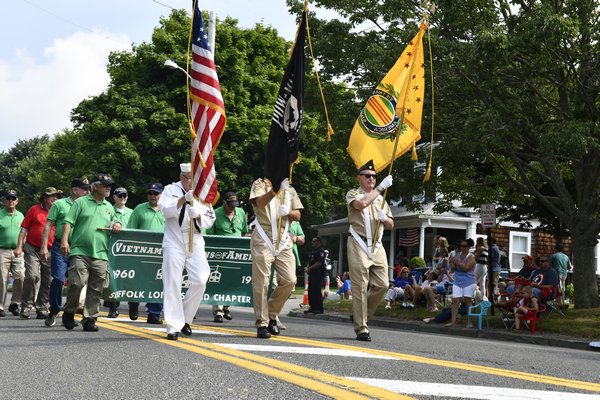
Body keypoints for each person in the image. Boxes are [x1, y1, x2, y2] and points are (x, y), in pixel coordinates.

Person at [158, 163, 216, 340]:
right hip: (174, 240)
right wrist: (183, 200)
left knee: (200, 279)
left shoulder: (203, 192)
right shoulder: (170, 189)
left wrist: (198, 214)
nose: (189, 181)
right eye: (186, 177)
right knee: (172, 283)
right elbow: (165, 211)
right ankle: (173, 325)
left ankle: (185, 319)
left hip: (196, 241)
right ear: (181, 176)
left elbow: (210, 219)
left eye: (192, 177)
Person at [60, 174, 123, 331]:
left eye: (110, 185)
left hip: (101, 253)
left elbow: (117, 220)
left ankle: (89, 319)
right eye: (105, 184)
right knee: (77, 283)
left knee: (96, 289)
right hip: (80, 251)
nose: (109, 187)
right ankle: (69, 311)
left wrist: (117, 224)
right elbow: (68, 222)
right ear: (95, 186)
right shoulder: (80, 202)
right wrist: (64, 241)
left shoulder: (109, 207)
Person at [249, 177, 303, 339]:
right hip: (264, 235)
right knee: (262, 282)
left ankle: (272, 313)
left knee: (290, 280)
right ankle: (262, 323)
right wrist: (275, 191)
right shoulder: (260, 184)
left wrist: (288, 212)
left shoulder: (290, 189)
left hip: (283, 237)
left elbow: (298, 214)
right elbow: (259, 203)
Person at [346, 160, 394, 342]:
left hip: (377, 244)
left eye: (374, 177)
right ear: (359, 178)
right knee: (359, 287)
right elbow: (361, 205)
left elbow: (391, 224)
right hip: (358, 242)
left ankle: (362, 314)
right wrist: (380, 188)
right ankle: (361, 328)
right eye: (368, 176)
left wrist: (385, 219)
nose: (372, 179)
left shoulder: (381, 199)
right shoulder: (353, 194)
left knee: (383, 284)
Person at [39, 178, 90, 327]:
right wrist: (43, 247)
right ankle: (54, 310)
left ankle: (69, 313)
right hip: (59, 247)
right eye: (84, 189)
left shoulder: (88, 205)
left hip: (79, 248)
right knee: (59, 279)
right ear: (75, 190)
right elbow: (48, 225)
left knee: (76, 282)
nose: (88, 192)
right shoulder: (59, 204)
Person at [15, 187, 60, 319]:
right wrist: (19, 246)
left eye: (56, 197)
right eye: (52, 196)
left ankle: (42, 307)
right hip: (32, 247)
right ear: (45, 198)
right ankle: (26, 306)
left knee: (48, 279)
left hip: (51, 249)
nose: (55, 199)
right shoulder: (34, 210)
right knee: (32, 276)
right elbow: (23, 229)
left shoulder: (58, 211)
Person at [204, 190, 248, 323]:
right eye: (230, 205)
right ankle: (218, 312)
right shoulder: (215, 214)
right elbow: (210, 236)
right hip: (221, 254)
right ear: (224, 203)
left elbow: (244, 232)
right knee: (220, 281)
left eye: (234, 205)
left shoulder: (240, 212)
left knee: (233, 282)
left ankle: (226, 306)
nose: (232, 208)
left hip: (237, 254)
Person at [125, 183, 166, 323]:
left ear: (162, 194)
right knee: (138, 280)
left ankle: (154, 313)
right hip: (142, 252)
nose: (153, 196)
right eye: (150, 193)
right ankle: (134, 302)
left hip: (162, 251)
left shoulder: (168, 209)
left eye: (156, 193)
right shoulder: (139, 209)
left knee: (159, 282)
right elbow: (130, 230)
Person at [105, 186, 134, 319]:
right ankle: (113, 307)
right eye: (119, 196)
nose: (122, 198)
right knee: (114, 278)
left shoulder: (132, 212)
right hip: (114, 250)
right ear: (114, 197)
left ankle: (133, 306)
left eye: (124, 196)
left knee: (132, 278)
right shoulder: (109, 210)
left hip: (130, 251)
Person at [0, 190, 25, 317]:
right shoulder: (0, 214)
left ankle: (15, 304)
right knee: (2, 279)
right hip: (2, 250)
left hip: (18, 251)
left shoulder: (21, 216)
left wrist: (23, 246)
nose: (11, 201)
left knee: (20, 277)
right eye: (8, 198)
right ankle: (0, 306)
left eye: (13, 198)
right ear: (4, 201)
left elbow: (25, 232)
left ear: (17, 201)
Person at [445, 239, 476, 327]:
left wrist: (456, 262)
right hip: (457, 280)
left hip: (469, 281)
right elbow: (453, 269)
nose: (462, 248)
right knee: (455, 300)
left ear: (469, 247)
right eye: (460, 246)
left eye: (464, 246)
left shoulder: (471, 257)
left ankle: (470, 322)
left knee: (467, 301)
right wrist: (451, 262)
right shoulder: (457, 255)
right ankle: (453, 321)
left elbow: (466, 269)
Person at [304, 236, 326, 314]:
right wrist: (307, 268)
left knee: (316, 290)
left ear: (319, 242)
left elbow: (319, 263)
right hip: (312, 274)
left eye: (314, 241)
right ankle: (312, 307)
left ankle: (318, 308)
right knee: (311, 290)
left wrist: (309, 268)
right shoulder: (313, 251)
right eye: (312, 241)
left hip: (318, 273)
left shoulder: (321, 251)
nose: (312, 243)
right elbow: (310, 261)